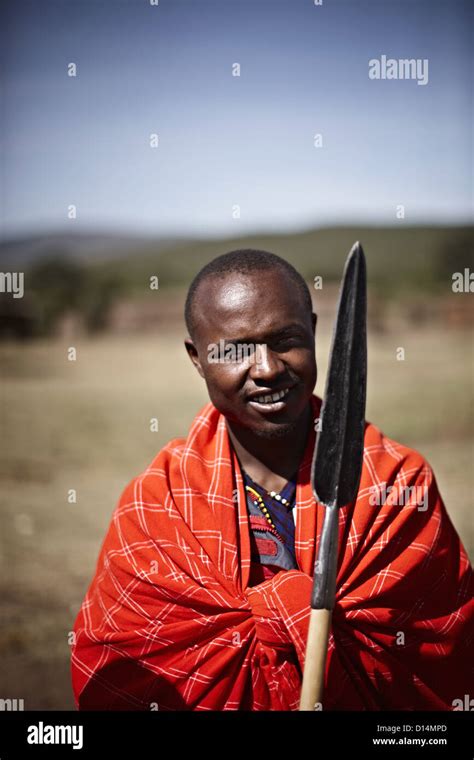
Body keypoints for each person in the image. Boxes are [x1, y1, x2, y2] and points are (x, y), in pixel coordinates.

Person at [71, 248, 473, 711]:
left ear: (316, 333)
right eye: (236, 350)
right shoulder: (159, 504)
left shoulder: (394, 484)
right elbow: (121, 670)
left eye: (286, 340)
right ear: (197, 358)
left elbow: (444, 657)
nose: (266, 369)